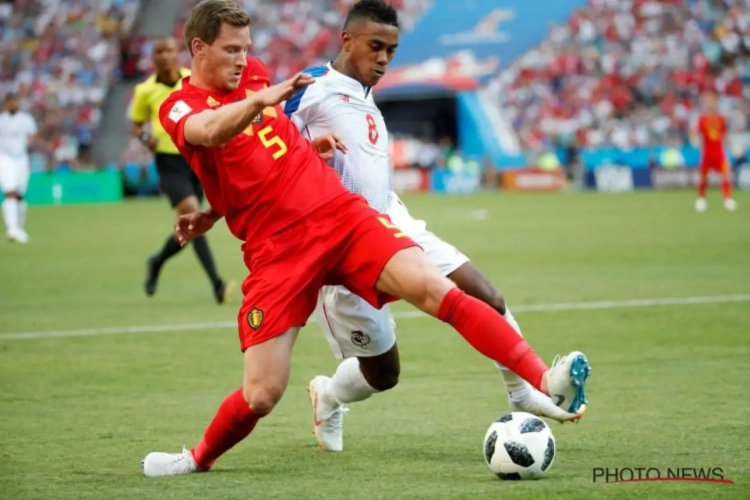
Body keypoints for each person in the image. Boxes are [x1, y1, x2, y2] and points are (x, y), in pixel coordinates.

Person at [141, 0, 591, 478]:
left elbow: (263, 150)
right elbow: (212, 132)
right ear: (198, 48)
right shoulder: (180, 106)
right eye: (231, 50)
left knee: (438, 290)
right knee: (262, 394)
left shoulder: (254, 74)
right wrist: (257, 106)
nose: (243, 59)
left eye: (246, 49)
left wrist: (305, 148)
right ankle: (197, 458)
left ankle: (543, 379)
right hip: (278, 250)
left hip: (339, 215)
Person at [284, 0, 583, 454]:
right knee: (383, 374)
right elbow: (266, 149)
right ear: (346, 41)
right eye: (375, 46)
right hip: (342, 243)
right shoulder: (310, 88)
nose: (384, 59)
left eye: (391, 50)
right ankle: (328, 394)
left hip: (393, 219)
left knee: (486, 295)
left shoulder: (364, 92)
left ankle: (522, 391)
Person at [130, 36, 234, 302]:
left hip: (197, 158)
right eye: (159, 51)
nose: (164, 56)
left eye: (169, 50)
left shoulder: (193, 79)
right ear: (153, 57)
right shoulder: (145, 90)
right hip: (169, 163)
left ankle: (156, 261)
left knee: (190, 225)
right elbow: (137, 126)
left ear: (178, 53)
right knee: (192, 212)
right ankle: (217, 284)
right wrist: (146, 138)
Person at [0, 93, 38, 244]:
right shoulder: (2, 120)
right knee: (10, 191)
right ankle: (12, 229)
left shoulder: (26, 119)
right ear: (6, 104)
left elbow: (33, 136)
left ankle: (19, 228)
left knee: (20, 194)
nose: (13, 104)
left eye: (15, 101)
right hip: (5, 158)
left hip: (22, 158)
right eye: (10, 102)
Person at [693, 91, 737, 212]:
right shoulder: (702, 119)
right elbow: (695, 132)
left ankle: (727, 199)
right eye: (709, 101)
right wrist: (695, 140)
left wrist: (733, 148)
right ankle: (701, 199)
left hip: (719, 152)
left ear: (716, 103)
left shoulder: (721, 119)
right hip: (707, 153)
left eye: (713, 101)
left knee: (726, 174)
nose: (711, 104)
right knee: (703, 177)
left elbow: (725, 135)